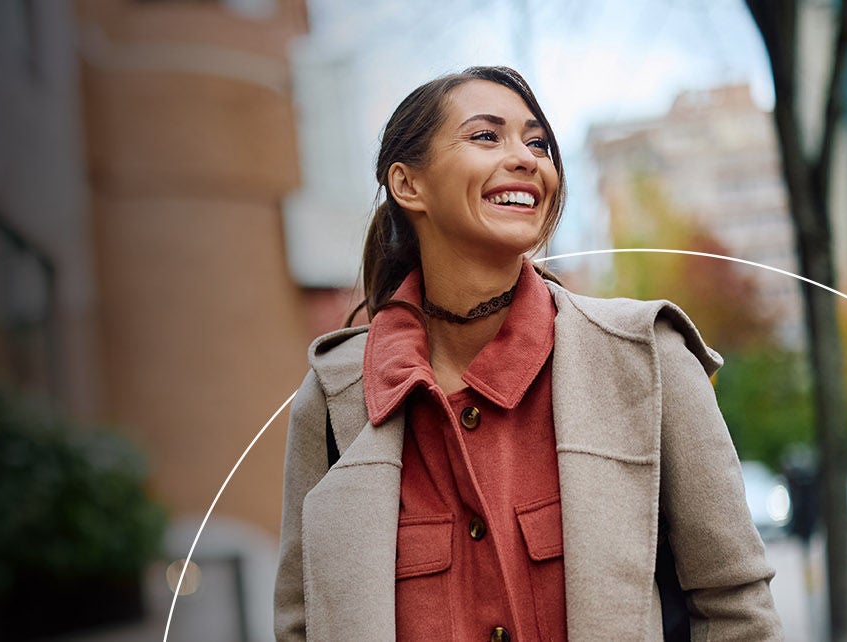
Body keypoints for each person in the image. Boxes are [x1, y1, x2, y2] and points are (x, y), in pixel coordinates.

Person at [273, 66, 783, 641]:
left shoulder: (648, 359)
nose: (526, 159)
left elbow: (735, 605)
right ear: (408, 185)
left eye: (537, 143)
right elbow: (302, 624)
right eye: (486, 136)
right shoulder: (334, 400)